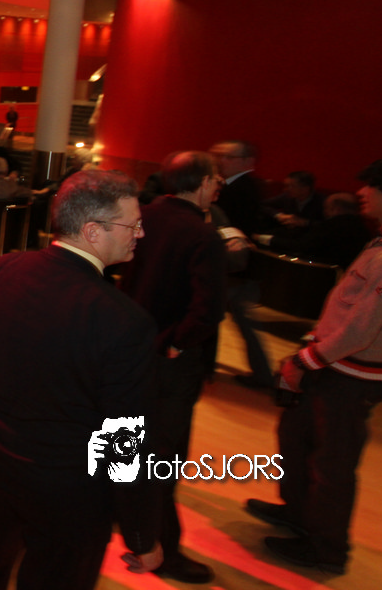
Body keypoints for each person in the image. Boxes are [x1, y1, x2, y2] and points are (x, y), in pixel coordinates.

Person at [0, 168, 162, 590]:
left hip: (0, 455)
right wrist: (141, 534)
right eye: (133, 225)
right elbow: (124, 442)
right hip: (71, 489)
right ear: (93, 231)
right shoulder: (125, 321)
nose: (140, 234)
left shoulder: (4, 269)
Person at [246, 158, 382, 576]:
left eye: (372, 186)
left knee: (333, 462)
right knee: (298, 439)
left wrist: (303, 360)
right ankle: (298, 513)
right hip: (333, 364)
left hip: (352, 374)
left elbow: (360, 331)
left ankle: (327, 549)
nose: (361, 193)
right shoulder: (381, 243)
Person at [117, 151, 225, 584]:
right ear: (202, 183)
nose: (218, 187)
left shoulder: (140, 216)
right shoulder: (202, 234)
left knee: (124, 440)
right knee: (163, 461)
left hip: (129, 348)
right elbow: (209, 309)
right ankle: (162, 550)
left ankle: (126, 523)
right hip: (169, 361)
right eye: (216, 180)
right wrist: (176, 343)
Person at [256, 192, 373, 268]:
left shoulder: (332, 225)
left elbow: (302, 246)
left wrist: (264, 238)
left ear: (336, 209)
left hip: (317, 274)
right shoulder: (364, 229)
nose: (324, 212)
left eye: (326, 209)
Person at [210, 140, 264, 236]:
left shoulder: (245, 188)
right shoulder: (226, 183)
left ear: (248, 161)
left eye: (229, 157)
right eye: (217, 156)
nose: (221, 161)